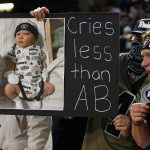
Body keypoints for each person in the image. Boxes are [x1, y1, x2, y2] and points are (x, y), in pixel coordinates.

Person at [81, 18, 150, 150]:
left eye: (144, 40)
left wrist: (133, 126)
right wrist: (42, 23)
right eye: (136, 38)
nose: (139, 44)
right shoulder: (110, 61)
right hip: (94, 145)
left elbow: (144, 141)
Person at [30, 7, 87, 150]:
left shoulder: (93, 61)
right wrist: (38, 19)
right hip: (45, 132)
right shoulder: (41, 56)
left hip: (81, 134)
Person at [4, 20, 55, 109]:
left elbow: (42, 61)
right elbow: (10, 63)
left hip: (37, 82)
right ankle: (18, 101)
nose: (21, 37)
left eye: (26, 34)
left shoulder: (38, 49)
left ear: (35, 38)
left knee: (51, 87)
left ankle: (39, 97)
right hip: (20, 83)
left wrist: (44, 71)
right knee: (7, 89)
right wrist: (10, 74)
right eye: (18, 34)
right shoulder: (15, 50)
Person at [130, 34, 150, 149]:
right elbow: (144, 142)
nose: (143, 63)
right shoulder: (147, 91)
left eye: (149, 55)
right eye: (143, 57)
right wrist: (137, 123)